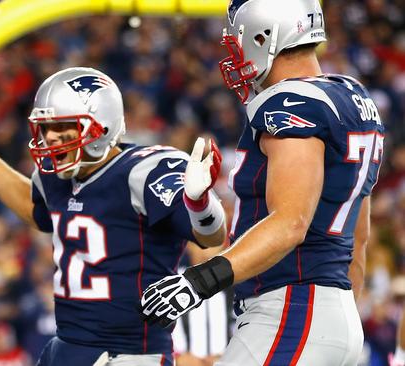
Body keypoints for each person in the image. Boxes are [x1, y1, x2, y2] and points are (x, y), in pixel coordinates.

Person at [140, 1, 384, 365]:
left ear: (264, 36)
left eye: (238, 43)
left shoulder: (291, 102)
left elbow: (291, 222)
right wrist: (336, 315)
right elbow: (358, 240)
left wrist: (199, 281)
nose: (234, 56)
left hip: (291, 312)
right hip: (333, 314)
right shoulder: (353, 96)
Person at [0, 66, 227, 366]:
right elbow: (36, 211)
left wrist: (200, 202)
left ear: (101, 126)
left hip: (128, 354)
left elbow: (211, 237)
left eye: (62, 126)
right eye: (45, 127)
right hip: (65, 346)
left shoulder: (144, 171)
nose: (50, 138)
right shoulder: (57, 176)